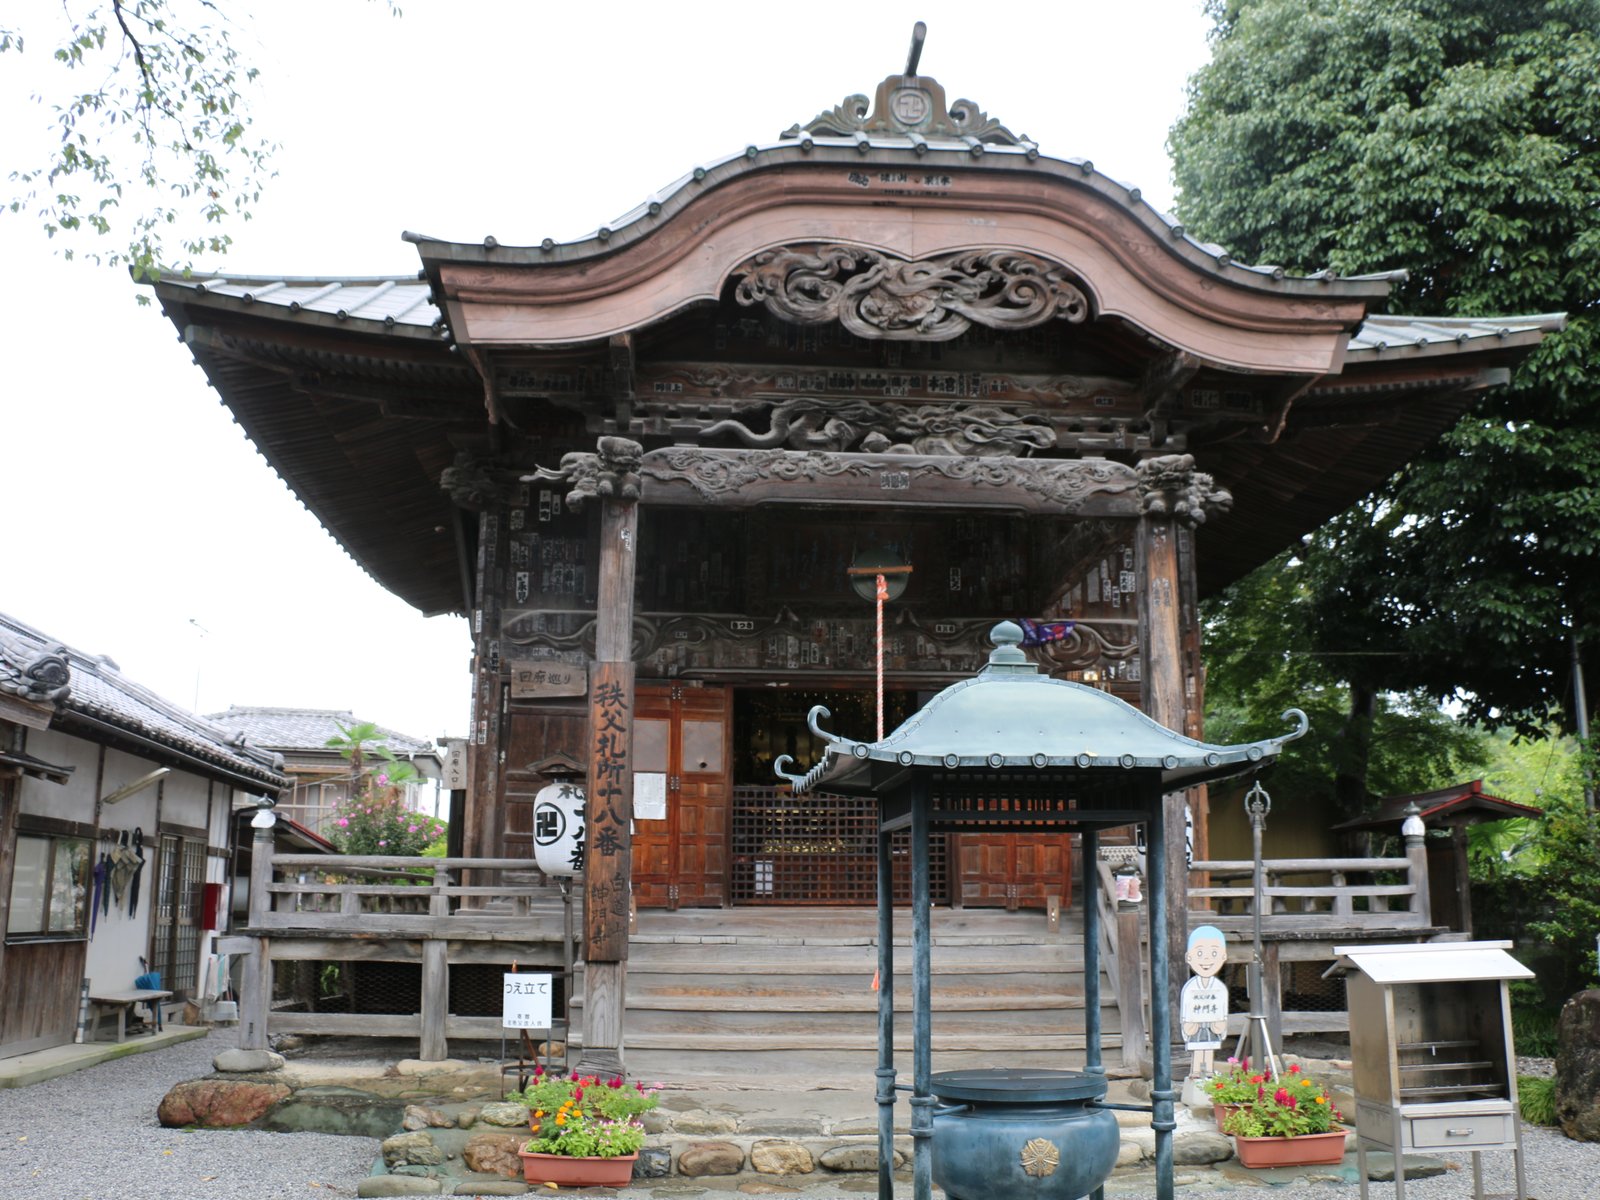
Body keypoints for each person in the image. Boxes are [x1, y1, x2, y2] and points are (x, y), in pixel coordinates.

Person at [1180, 924, 1229, 1078]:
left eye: (1214, 953)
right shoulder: (1190, 987)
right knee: (1198, 1047)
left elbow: (1222, 1009)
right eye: (1199, 953)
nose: (1206, 958)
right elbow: (1186, 1008)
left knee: (1209, 1048)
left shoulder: (1219, 988)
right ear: (1189, 957)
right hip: (1195, 1025)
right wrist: (1186, 1023)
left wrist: (1222, 1024)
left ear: (1223, 956)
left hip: (1212, 1026)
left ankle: (1208, 1071)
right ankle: (1195, 1072)